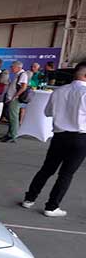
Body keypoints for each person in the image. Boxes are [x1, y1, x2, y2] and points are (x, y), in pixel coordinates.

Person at [21, 61, 86, 217]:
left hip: (59, 136)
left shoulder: (59, 91)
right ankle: (52, 206)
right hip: (80, 137)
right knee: (66, 174)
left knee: (47, 169)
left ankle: (29, 198)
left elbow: (48, 112)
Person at [1, 60, 29, 143]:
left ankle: (13, 135)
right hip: (11, 98)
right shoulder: (18, 74)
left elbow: (23, 87)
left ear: (18, 67)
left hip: (15, 99)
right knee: (10, 116)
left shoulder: (23, 75)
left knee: (13, 117)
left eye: (12, 67)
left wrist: (15, 96)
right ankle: (9, 134)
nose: (11, 68)